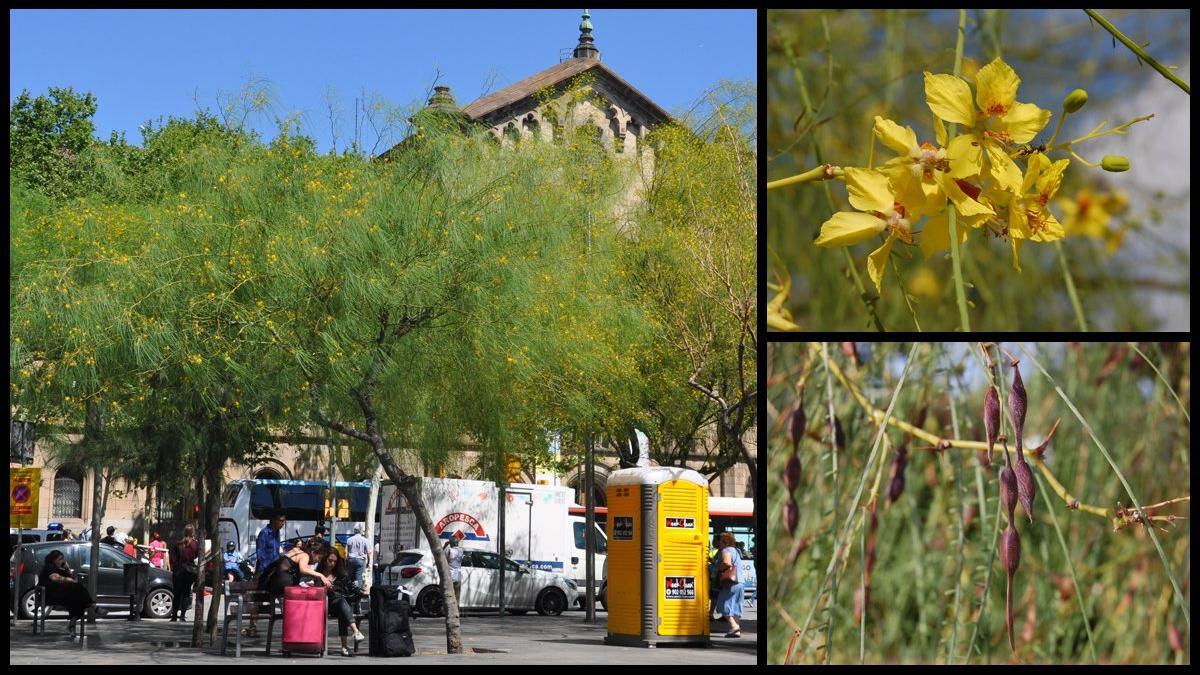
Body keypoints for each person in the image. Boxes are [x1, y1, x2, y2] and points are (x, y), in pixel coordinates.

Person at [38, 549, 106, 635]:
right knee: (79, 591)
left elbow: (73, 579)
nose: (62, 561)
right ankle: (92, 606)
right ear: (53, 559)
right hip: (49, 595)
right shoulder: (49, 567)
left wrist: (67, 569)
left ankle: (72, 626)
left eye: (63, 558)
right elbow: (55, 578)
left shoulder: (59, 569)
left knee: (78, 599)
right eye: (60, 559)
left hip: (61, 595)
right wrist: (68, 579)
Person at [319, 547, 367, 656]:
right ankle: (354, 634)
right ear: (324, 559)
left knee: (342, 606)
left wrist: (363, 591)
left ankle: (346, 645)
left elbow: (352, 587)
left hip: (340, 604)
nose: (332, 563)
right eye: (330, 560)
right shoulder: (319, 573)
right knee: (342, 604)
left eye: (335, 561)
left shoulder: (341, 573)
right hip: (324, 604)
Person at [257, 537, 334, 597]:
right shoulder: (305, 555)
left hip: (272, 582)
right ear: (313, 553)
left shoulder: (296, 551)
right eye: (319, 558)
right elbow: (303, 569)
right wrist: (321, 575)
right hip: (281, 584)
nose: (319, 561)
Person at [714, 531, 744, 638]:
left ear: (724, 541)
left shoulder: (726, 550)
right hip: (740, 582)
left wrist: (717, 569)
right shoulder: (736, 550)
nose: (718, 543)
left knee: (723, 604)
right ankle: (736, 630)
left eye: (720, 541)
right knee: (736, 606)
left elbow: (727, 563)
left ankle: (734, 626)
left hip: (730, 582)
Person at [168, 525, 200, 622]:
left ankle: (174, 616)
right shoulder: (196, 544)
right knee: (186, 594)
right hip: (189, 572)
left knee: (177, 594)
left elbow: (172, 559)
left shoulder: (177, 544)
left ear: (184, 532)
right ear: (193, 533)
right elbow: (198, 557)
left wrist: (175, 568)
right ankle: (182, 616)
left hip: (178, 572)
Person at [345, 524, 369, 588]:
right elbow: (369, 552)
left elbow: (346, 552)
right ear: (361, 531)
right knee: (358, 578)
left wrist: (346, 562)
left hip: (351, 560)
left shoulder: (349, 539)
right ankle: (357, 592)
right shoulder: (365, 540)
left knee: (350, 577)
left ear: (354, 531)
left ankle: (349, 591)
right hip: (360, 560)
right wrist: (368, 562)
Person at [444, 534, 463, 607]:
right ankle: (456, 609)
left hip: (450, 575)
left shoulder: (449, 550)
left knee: (449, 595)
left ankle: (449, 609)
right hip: (458, 575)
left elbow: (440, 555)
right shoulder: (461, 550)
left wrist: (445, 545)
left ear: (450, 543)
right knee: (457, 595)